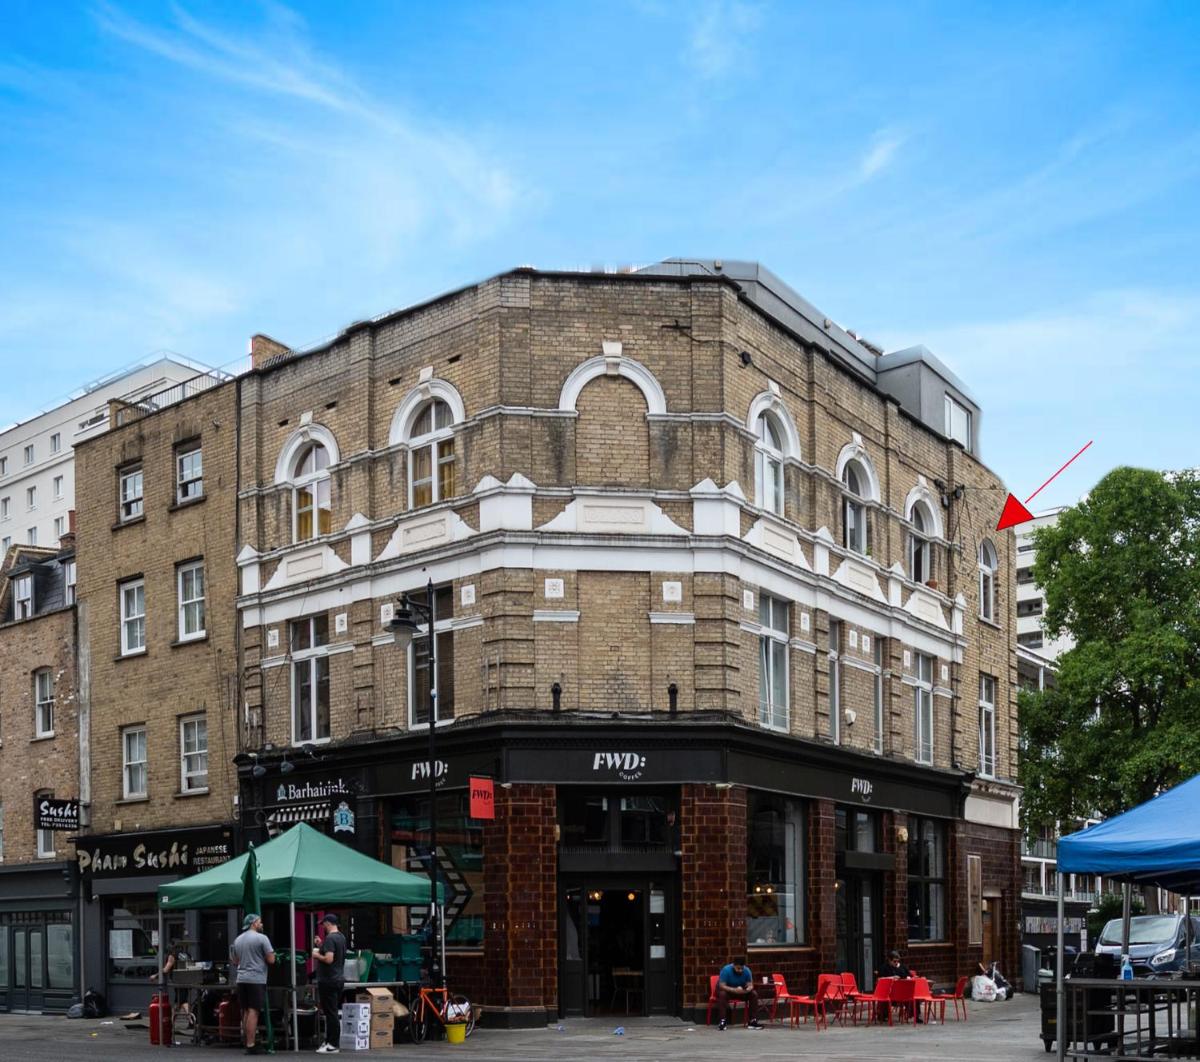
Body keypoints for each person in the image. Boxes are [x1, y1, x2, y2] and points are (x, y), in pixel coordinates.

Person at [231, 913, 276, 1055]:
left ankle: (247, 1041)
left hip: (241, 978)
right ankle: (251, 1044)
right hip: (256, 979)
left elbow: (235, 961)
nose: (261, 924)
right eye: (260, 922)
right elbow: (271, 959)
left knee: (245, 1010)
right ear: (254, 923)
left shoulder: (237, 939)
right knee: (253, 1010)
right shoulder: (262, 938)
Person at [312, 914, 347, 1054]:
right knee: (332, 1012)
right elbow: (334, 953)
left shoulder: (331, 938)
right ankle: (329, 1042)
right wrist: (321, 945)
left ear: (328, 923)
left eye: (323, 924)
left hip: (328, 980)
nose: (323, 927)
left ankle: (333, 1044)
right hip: (338, 979)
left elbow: (328, 959)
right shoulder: (341, 937)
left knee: (330, 1013)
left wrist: (316, 955)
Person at [715, 958, 762, 1030]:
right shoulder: (726, 970)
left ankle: (752, 1021)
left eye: (742, 968)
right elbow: (721, 986)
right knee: (722, 994)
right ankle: (722, 1021)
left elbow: (750, 985)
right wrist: (734, 990)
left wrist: (748, 988)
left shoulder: (747, 971)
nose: (740, 970)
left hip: (741, 991)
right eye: (738, 968)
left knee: (754, 994)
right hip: (729, 991)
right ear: (733, 965)